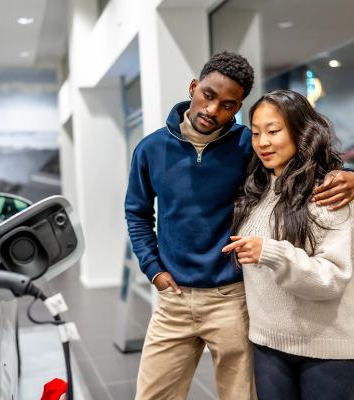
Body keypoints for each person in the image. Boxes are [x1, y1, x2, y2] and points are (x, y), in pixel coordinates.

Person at [125, 52, 354, 400]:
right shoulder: (150, 149)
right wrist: (152, 268)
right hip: (173, 299)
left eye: (229, 105)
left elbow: (306, 163)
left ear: (238, 107)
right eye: (208, 95)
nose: (213, 110)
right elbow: (137, 213)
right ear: (193, 87)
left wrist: (351, 177)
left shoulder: (249, 144)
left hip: (231, 297)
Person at [222, 89, 354, 400]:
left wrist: (270, 252)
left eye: (273, 130)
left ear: (300, 130)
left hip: (326, 349)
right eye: (256, 133)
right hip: (268, 346)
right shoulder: (256, 192)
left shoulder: (330, 192)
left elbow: (331, 279)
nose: (263, 142)